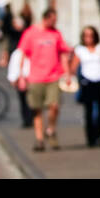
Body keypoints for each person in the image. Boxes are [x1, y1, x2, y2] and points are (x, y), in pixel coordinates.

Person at [16, 8, 72, 151]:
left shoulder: (56, 33)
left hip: (53, 76)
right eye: (53, 20)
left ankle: (51, 130)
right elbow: (22, 54)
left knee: (54, 106)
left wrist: (67, 73)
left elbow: (63, 54)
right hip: (35, 77)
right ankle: (39, 139)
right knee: (37, 110)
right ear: (46, 18)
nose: (54, 23)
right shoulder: (31, 33)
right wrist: (21, 76)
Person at [72, 26, 100, 147]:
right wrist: (70, 78)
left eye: (91, 35)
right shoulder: (80, 50)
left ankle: (98, 136)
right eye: (86, 35)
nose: (88, 38)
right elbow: (73, 66)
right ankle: (90, 138)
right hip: (87, 82)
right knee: (89, 111)